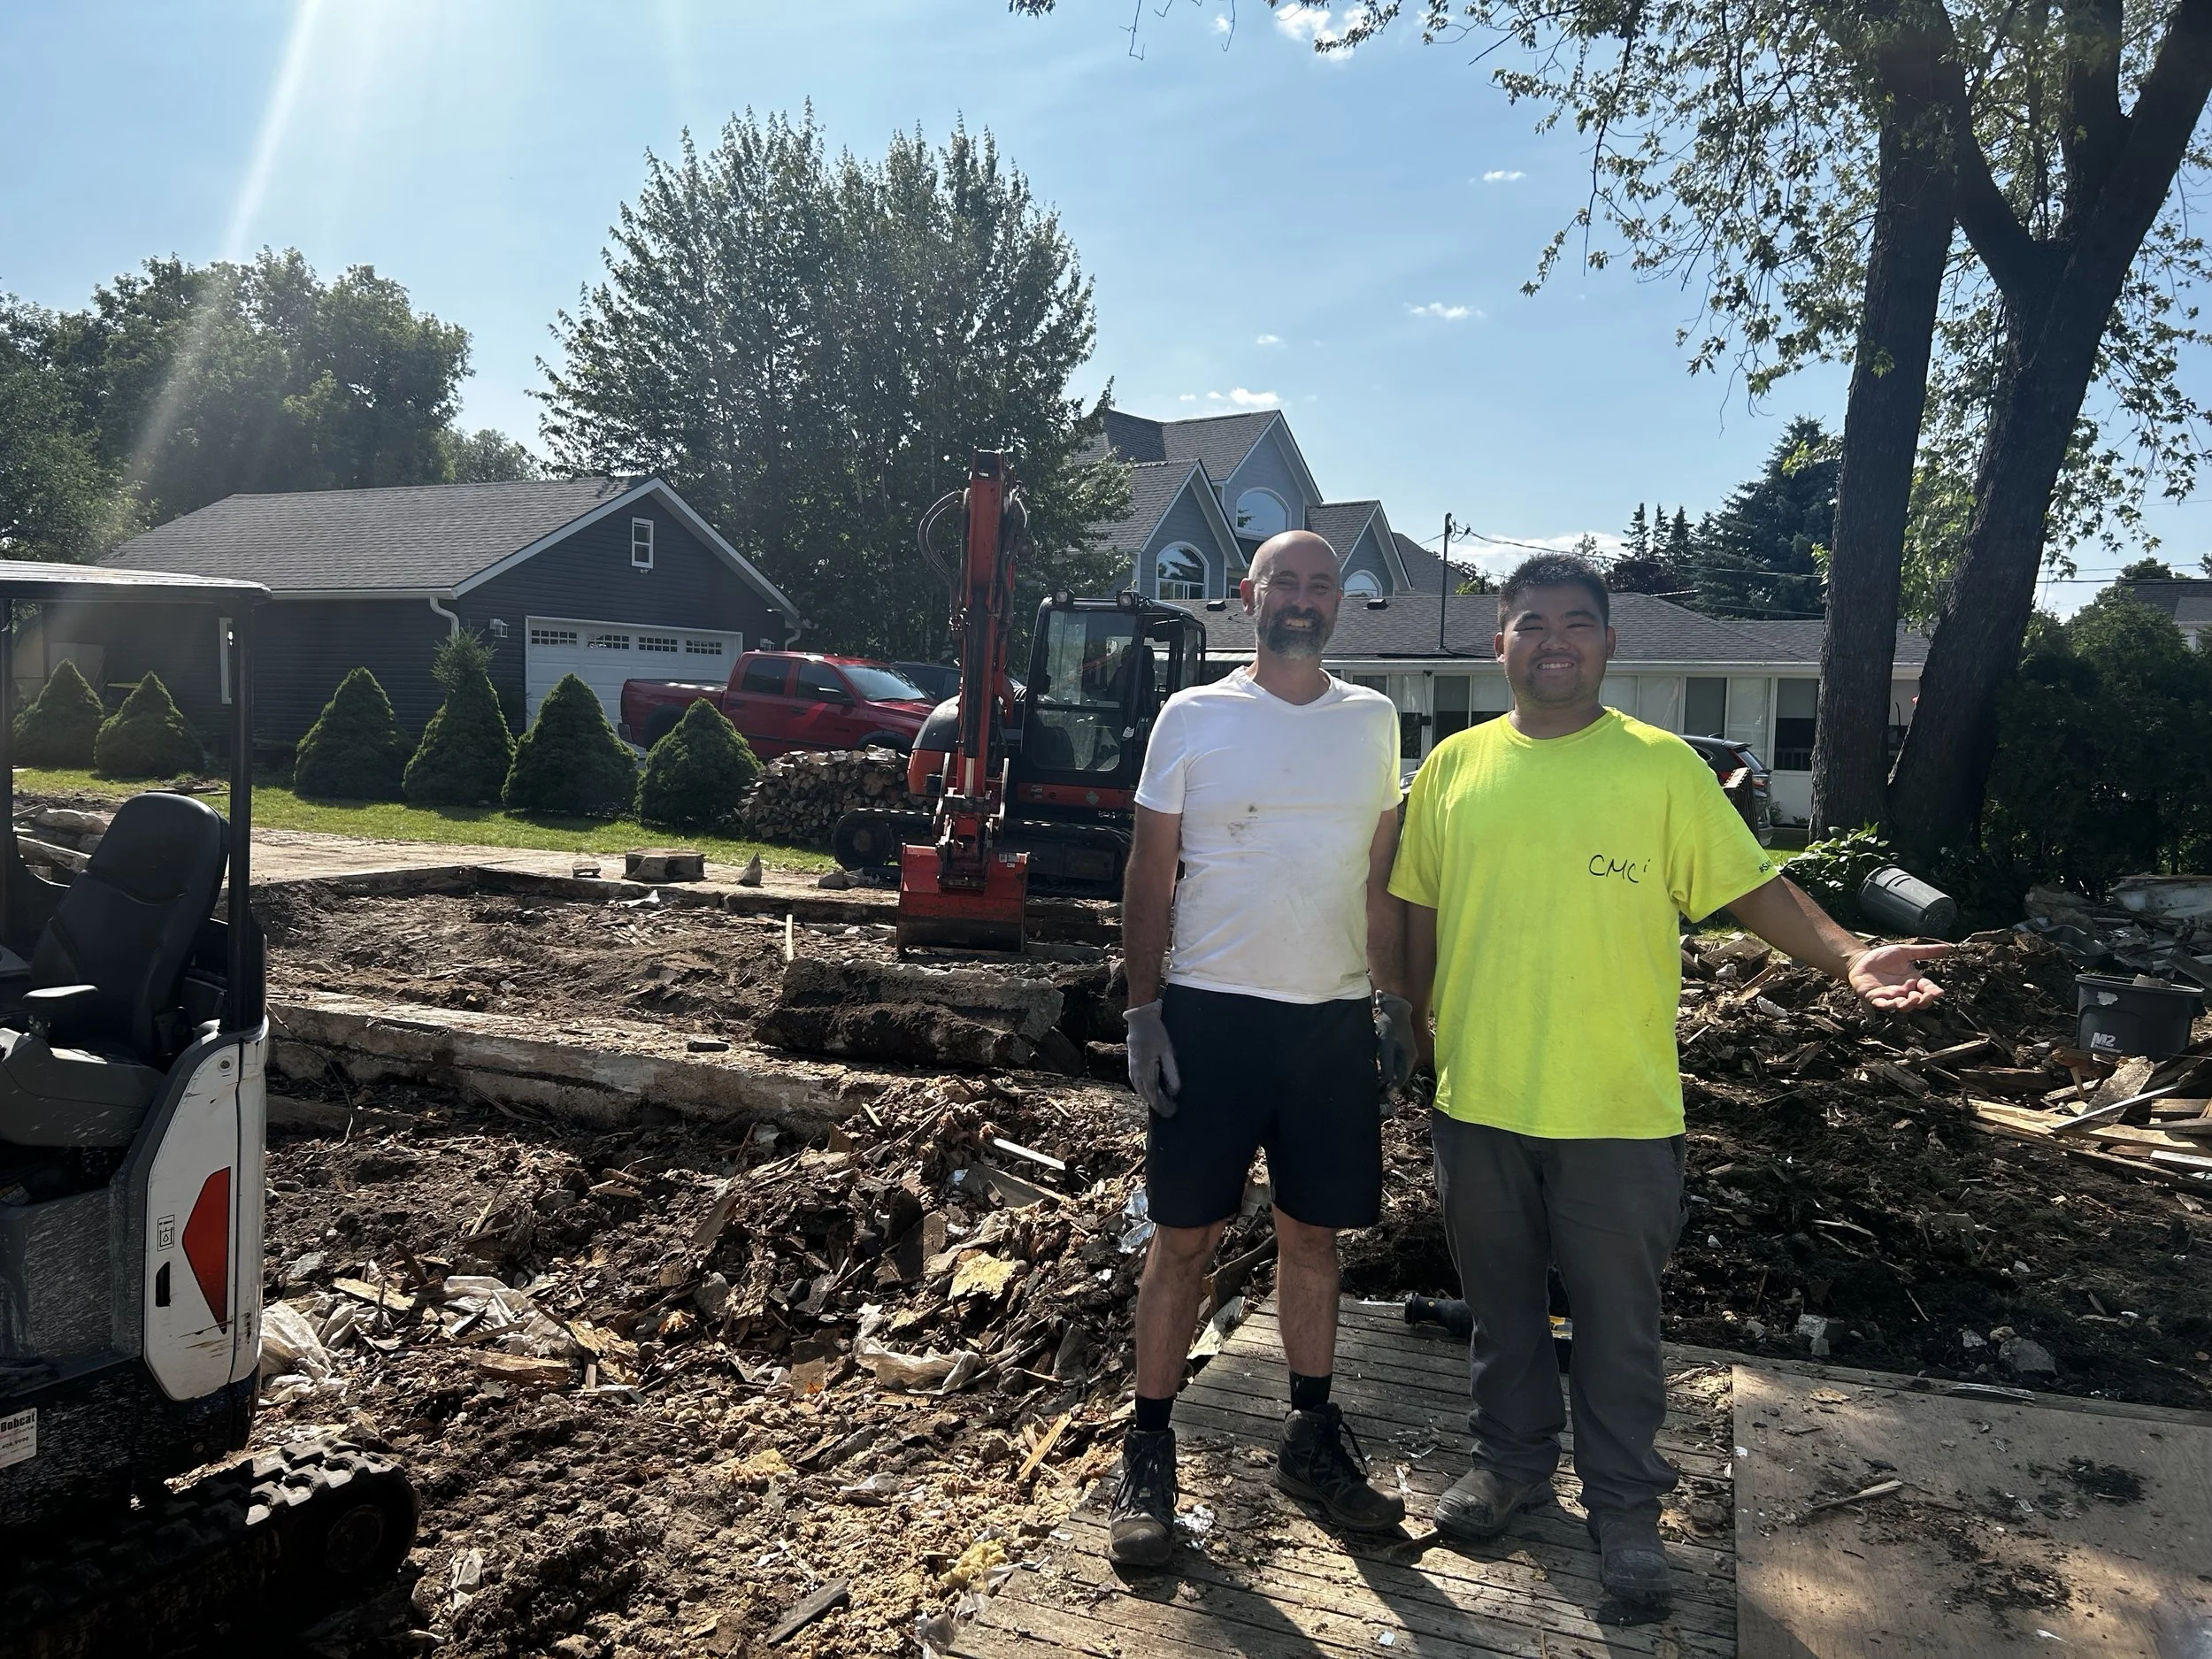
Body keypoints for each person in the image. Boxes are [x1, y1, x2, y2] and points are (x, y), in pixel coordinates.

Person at [1388, 553, 1947, 1606]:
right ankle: (1511, 1466)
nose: (1554, 641)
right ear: (1498, 643)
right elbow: (1417, 909)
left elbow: (1753, 888)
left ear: (1608, 642)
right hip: (1477, 1098)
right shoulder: (1454, 768)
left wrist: (1847, 957)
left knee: (1618, 1324)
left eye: (1576, 622)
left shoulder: (1660, 769)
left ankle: (1625, 1508)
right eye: (1531, 622)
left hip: (1616, 1108)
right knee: (1501, 1309)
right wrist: (1410, 1031)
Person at [1107, 529, 1420, 1568]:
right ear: (1249, 594)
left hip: (1327, 1023)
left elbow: (1378, 877)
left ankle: (1309, 1440)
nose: (1302, 597)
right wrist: (1143, 1009)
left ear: (1338, 603)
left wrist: (1393, 1000)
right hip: (1211, 1018)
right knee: (1183, 1241)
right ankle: (1147, 1454)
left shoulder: (1372, 720)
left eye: (1321, 584)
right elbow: (1149, 870)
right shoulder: (1192, 715)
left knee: (1313, 1239)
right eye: (1285, 580)